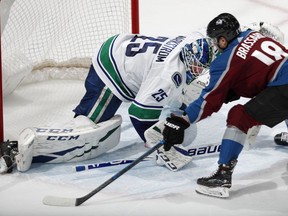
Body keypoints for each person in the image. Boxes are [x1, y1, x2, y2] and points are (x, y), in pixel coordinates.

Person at [0, 32, 215, 173]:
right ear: (187, 57)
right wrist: (158, 144)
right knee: (90, 131)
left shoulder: (189, 42)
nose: (199, 70)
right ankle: (18, 148)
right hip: (112, 67)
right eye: (196, 66)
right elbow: (138, 115)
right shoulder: (168, 75)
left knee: (185, 130)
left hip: (125, 47)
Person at [162, 13, 288, 198]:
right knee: (275, 93)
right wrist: (235, 89)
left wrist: (183, 120)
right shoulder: (252, 35)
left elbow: (208, 102)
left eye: (215, 40)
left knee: (239, 116)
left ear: (223, 39)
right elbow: (261, 72)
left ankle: (222, 176)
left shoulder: (225, 61)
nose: (214, 44)